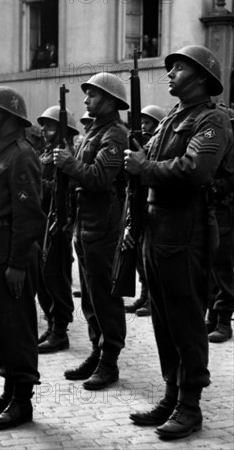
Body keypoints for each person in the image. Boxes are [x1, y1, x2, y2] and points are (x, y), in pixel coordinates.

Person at [125, 45, 234, 440]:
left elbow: (195, 170)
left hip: (186, 230)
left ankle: (190, 407)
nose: (170, 73)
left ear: (202, 77)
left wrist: (144, 167)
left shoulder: (213, 121)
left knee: (186, 321)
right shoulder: (172, 117)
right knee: (163, 319)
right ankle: (171, 395)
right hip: (157, 229)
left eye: (180, 68)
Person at [0, 86, 45, 430]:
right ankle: (9, 390)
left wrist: (17, 263)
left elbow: (28, 214)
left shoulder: (22, 155)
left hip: (8, 247)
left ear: (9, 117)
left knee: (15, 324)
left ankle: (22, 401)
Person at [53, 72, 128, 390]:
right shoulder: (94, 132)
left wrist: (68, 164)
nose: (86, 100)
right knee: (89, 297)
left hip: (104, 227)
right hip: (86, 225)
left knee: (105, 298)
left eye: (93, 95)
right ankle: (98, 352)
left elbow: (98, 178)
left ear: (109, 101)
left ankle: (109, 361)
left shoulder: (114, 135)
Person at [36, 105, 78, 353]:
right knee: (44, 276)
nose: (43, 130)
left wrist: (36, 183)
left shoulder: (67, 155)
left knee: (55, 276)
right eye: (43, 126)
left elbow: (68, 190)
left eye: (50, 126)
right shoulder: (46, 153)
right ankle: (52, 325)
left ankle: (60, 331)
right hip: (43, 218)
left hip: (59, 222)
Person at [125, 104, 166, 317]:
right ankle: (144, 294)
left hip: (153, 205)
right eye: (142, 122)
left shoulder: (158, 146)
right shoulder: (141, 145)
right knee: (140, 256)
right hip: (139, 203)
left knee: (150, 257)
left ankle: (152, 298)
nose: (143, 126)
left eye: (148, 122)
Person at [206, 109, 234, 343]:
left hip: (225, 213)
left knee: (223, 270)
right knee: (209, 270)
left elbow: (228, 182)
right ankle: (212, 316)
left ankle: (224, 321)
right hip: (210, 212)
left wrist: (211, 184)